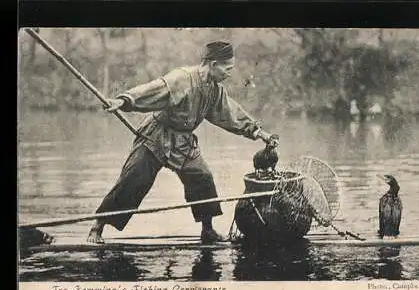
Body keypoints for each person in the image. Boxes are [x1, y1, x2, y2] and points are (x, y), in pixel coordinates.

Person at [86, 41, 279, 244]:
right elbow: (152, 90)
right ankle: (97, 227)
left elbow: (231, 114)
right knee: (133, 178)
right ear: (213, 65)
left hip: (184, 142)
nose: (230, 73)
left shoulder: (215, 90)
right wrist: (123, 101)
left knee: (202, 177)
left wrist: (260, 133)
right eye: (227, 68)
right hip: (156, 137)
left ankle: (208, 230)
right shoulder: (182, 78)